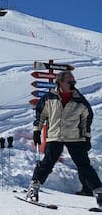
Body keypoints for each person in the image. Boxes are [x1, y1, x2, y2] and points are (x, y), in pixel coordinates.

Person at [25, 71, 102, 207]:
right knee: (47, 163)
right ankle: (33, 190)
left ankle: (99, 193)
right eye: (70, 81)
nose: (73, 82)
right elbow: (40, 114)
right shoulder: (49, 98)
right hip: (55, 135)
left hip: (75, 137)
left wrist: (87, 137)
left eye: (73, 80)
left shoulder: (79, 99)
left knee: (84, 166)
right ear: (60, 82)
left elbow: (87, 118)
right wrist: (37, 131)